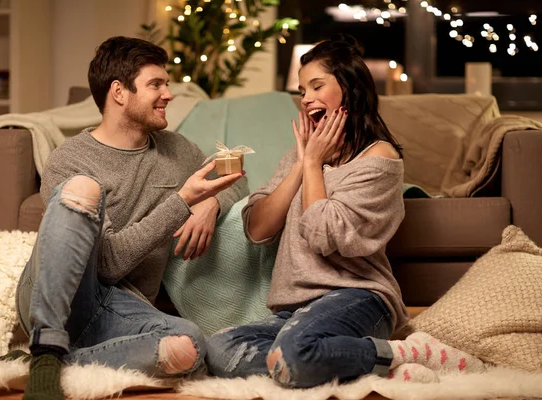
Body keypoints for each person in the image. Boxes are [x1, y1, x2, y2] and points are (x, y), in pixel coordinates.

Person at [0, 36, 248, 400]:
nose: (168, 94)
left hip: (122, 307)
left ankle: (34, 364)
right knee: (82, 190)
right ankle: (46, 346)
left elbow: (236, 177)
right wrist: (184, 200)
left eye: (167, 84)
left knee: (188, 347)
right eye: (156, 84)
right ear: (119, 92)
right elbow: (107, 263)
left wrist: (210, 204)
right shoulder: (71, 158)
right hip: (61, 293)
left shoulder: (176, 148)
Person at [205, 34, 486, 388]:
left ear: (349, 88)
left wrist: (313, 165)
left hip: (357, 298)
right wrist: (303, 163)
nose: (305, 98)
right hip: (295, 310)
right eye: (302, 89)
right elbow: (257, 229)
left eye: (316, 85)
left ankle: (405, 354)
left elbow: (324, 236)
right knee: (219, 348)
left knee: (293, 355)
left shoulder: (380, 159)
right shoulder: (301, 157)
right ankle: (362, 362)